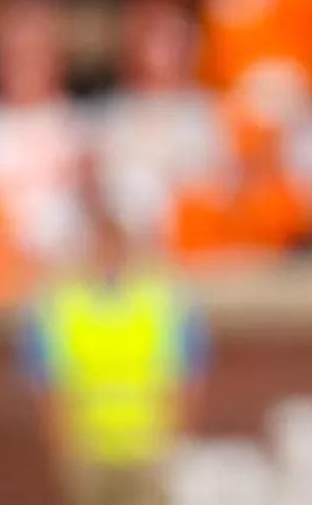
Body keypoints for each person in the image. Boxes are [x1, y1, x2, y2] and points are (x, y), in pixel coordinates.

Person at [21, 159, 208, 505]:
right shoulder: (60, 302)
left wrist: (176, 441)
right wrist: (63, 445)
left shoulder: (163, 297)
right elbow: (45, 382)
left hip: (149, 447)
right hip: (88, 449)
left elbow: (188, 375)